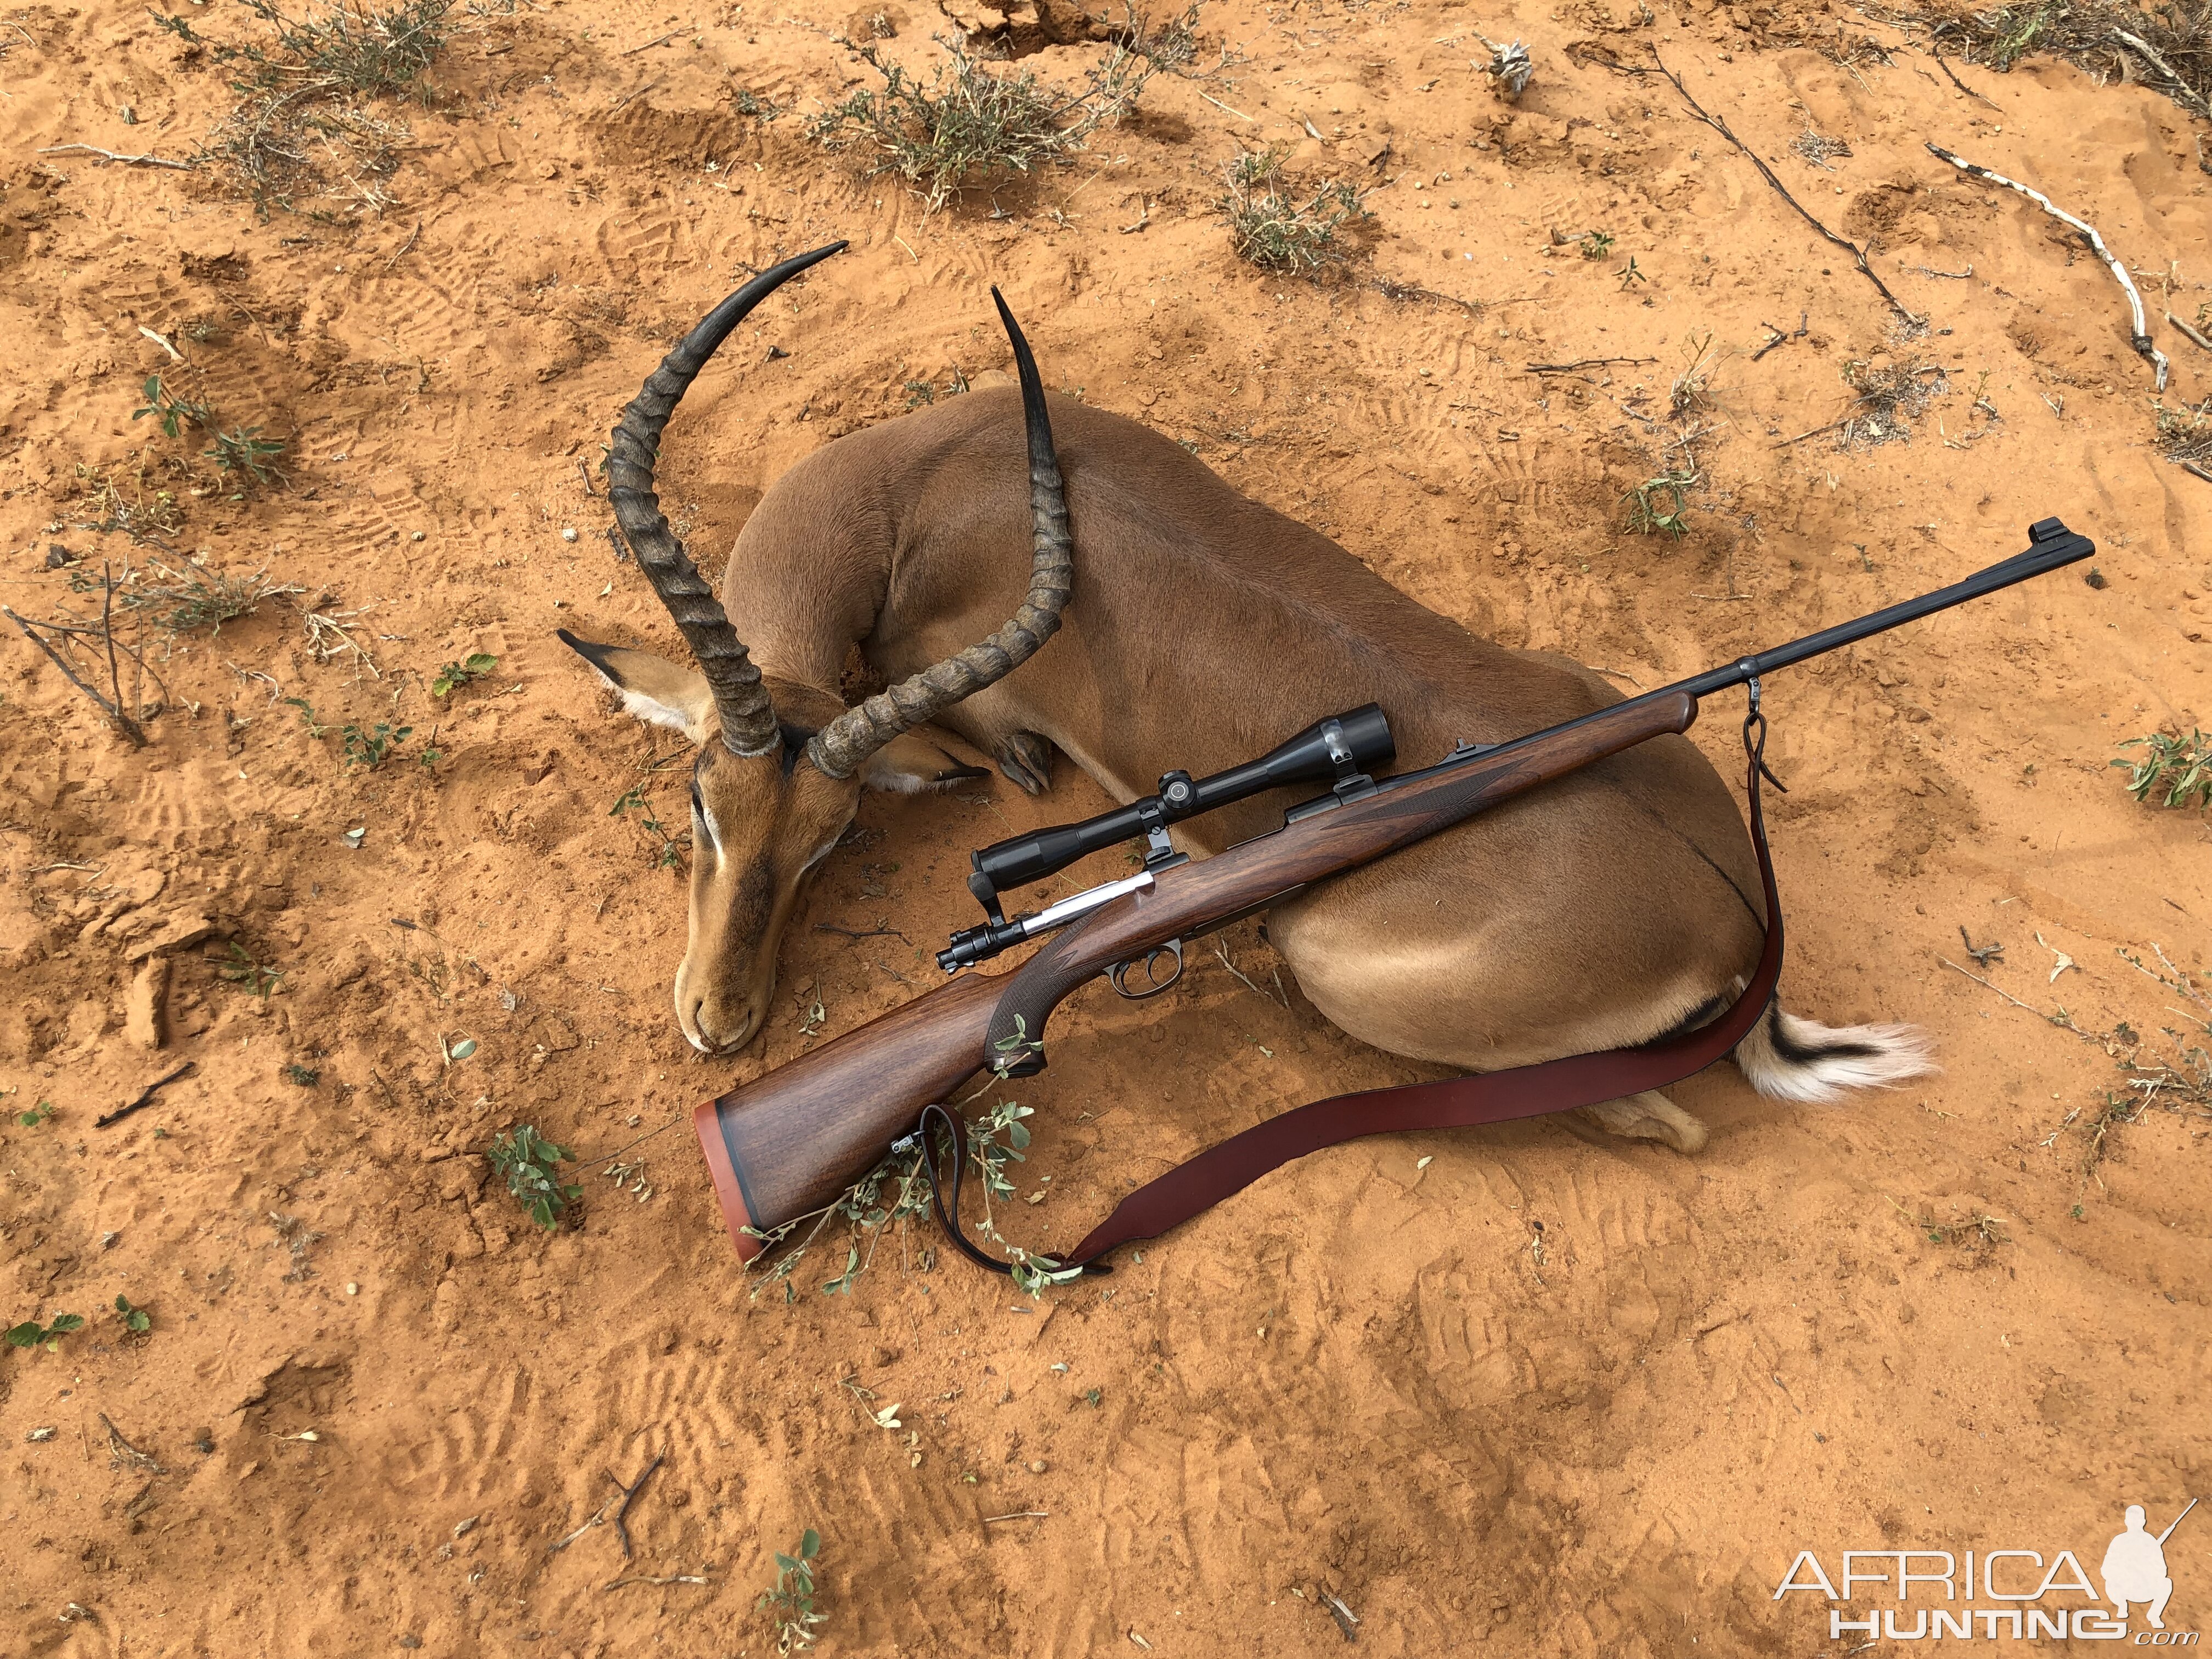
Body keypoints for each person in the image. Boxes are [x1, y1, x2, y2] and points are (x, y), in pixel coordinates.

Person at [2103, 1505, 2175, 1629]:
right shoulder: (2118, 1541)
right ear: (2126, 1522)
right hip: (2123, 1589)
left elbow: (2162, 1570)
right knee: (2109, 1583)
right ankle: (2122, 1605)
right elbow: (2106, 1568)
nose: (2134, 1523)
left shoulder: (2150, 1541)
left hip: (2146, 1589)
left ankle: (2154, 1615)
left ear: (2143, 1522)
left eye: (2137, 1520)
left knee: (2167, 1583)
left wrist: (2145, 1570)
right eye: (2132, 1520)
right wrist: (2124, 1571)